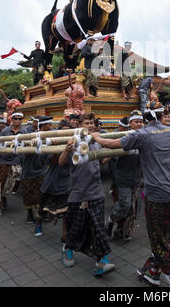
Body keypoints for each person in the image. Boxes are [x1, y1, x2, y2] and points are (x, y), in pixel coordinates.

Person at [92, 101, 170, 287]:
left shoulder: (142, 134)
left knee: (157, 235)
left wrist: (96, 137)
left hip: (158, 193)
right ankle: (153, 273)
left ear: (145, 120)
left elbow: (110, 143)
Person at [59, 113, 114, 276]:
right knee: (75, 225)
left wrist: (114, 151)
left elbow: (102, 161)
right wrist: (66, 149)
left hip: (96, 190)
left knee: (98, 226)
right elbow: (61, 162)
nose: (89, 125)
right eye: (86, 123)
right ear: (79, 125)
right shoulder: (73, 141)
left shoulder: (97, 142)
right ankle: (68, 248)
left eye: (91, 123)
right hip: (78, 192)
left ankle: (102, 260)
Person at [38, 119, 73, 267]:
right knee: (43, 207)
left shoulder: (75, 142)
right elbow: (52, 162)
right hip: (52, 180)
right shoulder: (51, 142)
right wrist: (58, 147)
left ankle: (64, 236)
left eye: (68, 131)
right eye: (63, 131)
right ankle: (38, 223)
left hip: (67, 181)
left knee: (66, 211)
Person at [106, 110, 143, 242]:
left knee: (134, 209)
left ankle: (123, 231)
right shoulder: (123, 137)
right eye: (136, 121)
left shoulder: (145, 136)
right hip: (123, 177)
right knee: (125, 204)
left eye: (141, 121)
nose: (139, 124)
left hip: (137, 177)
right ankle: (111, 219)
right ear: (130, 123)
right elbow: (109, 152)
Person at [21, 116, 50, 225]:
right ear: (42, 126)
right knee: (28, 193)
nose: (51, 127)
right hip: (28, 170)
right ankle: (29, 213)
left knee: (42, 192)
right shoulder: (31, 136)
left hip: (41, 170)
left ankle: (41, 212)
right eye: (49, 125)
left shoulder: (49, 137)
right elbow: (24, 152)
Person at [0, 112, 25, 217]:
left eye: (20, 119)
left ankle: (4, 196)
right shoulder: (5, 131)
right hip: (3, 159)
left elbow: (25, 145)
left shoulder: (24, 131)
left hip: (16, 159)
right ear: (11, 119)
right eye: (15, 119)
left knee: (16, 180)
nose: (17, 121)